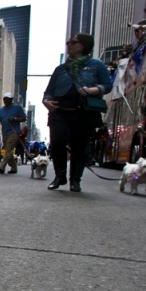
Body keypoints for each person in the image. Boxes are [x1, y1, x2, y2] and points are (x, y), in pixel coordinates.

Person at [42, 33, 112, 192]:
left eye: (73, 42)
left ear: (84, 46)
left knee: (80, 147)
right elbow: (49, 91)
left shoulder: (97, 65)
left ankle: (75, 180)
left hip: (84, 112)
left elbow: (107, 85)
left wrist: (92, 90)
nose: (69, 45)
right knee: (58, 142)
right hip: (60, 112)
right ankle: (60, 176)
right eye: (68, 42)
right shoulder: (60, 69)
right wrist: (47, 102)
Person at [0, 93, 27, 175]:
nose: (6, 100)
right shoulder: (0, 110)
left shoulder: (17, 108)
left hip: (14, 132)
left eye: (8, 99)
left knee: (8, 150)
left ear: (11, 100)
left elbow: (23, 118)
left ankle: (1, 167)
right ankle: (14, 168)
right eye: (5, 99)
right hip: (5, 132)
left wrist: (15, 118)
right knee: (8, 151)